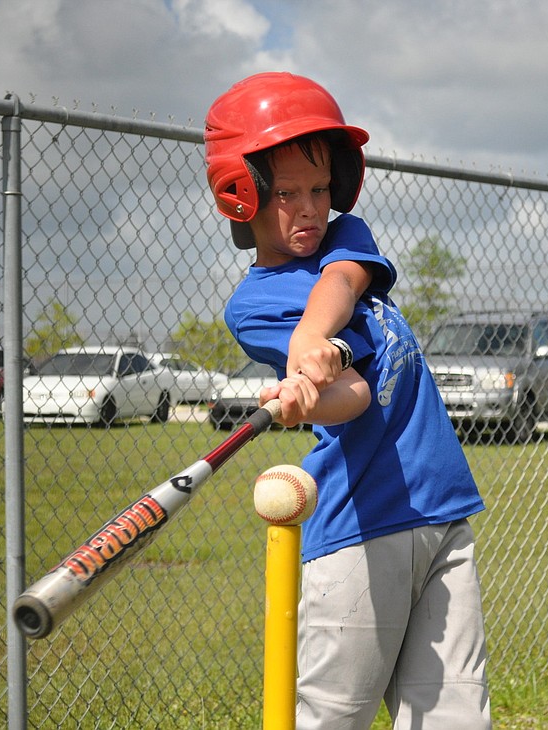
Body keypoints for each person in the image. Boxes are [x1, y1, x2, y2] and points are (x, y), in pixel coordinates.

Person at [204, 72, 490, 730]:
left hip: (442, 509)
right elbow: (355, 394)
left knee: (455, 719)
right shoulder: (254, 305)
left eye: (319, 189)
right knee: (335, 720)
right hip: (363, 531)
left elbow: (342, 280)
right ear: (242, 194)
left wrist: (314, 336)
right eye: (286, 194)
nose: (308, 209)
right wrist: (310, 398)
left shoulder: (345, 239)